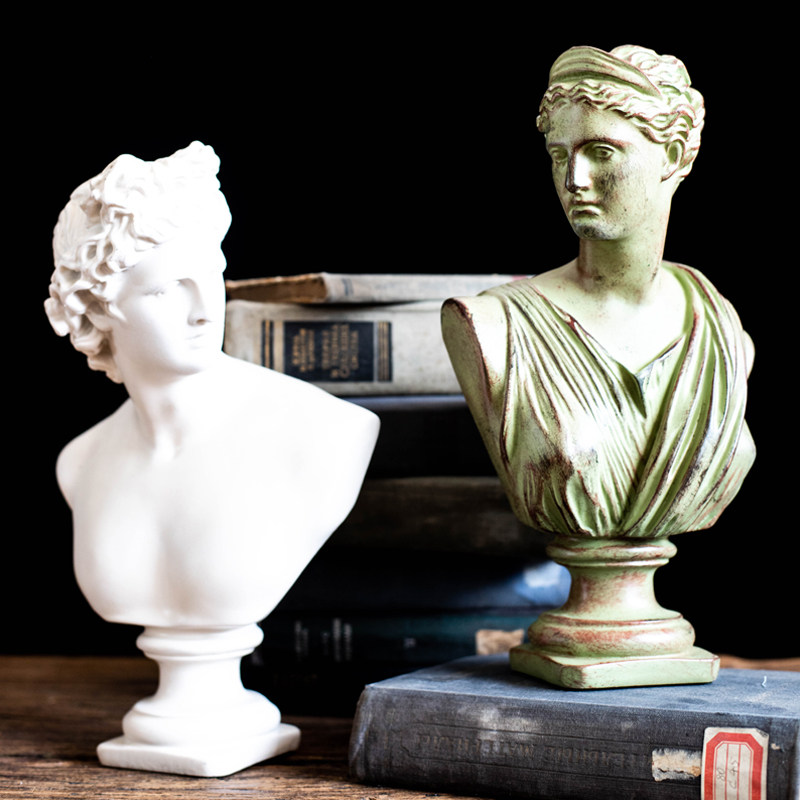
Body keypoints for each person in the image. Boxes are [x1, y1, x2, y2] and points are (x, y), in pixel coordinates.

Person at [44, 142, 380, 774]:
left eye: (213, 277)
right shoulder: (81, 462)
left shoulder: (324, 431)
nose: (206, 310)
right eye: (168, 289)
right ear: (99, 307)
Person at [442, 45, 754, 542]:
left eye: (601, 152)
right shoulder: (492, 325)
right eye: (559, 156)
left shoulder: (720, 325)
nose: (574, 180)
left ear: (673, 154)